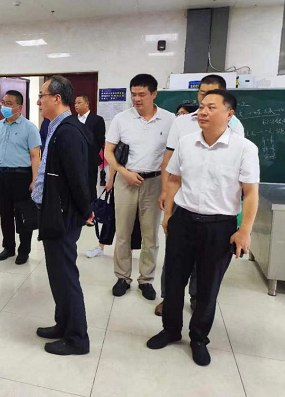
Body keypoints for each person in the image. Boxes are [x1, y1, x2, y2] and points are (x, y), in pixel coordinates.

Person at [147, 90, 259, 366]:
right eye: (201, 107)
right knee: (173, 281)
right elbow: (174, 180)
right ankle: (171, 330)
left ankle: (198, 338)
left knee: (208, 287)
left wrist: (244, 230)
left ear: (229, 114)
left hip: (219, 226)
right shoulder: (186, 143)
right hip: (184, 220)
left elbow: (250, 193)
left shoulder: (244, 148)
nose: (203, 112)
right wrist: (168, 214)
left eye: (211, 107)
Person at [155, 74, 241, 316]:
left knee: (205, 263)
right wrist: (166, 193)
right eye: (201, 94)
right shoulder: (182, 123)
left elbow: (242, 180)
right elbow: (169, 161)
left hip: (214, 210)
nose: (204, 101)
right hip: (183, 202)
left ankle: (196, 297)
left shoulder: (236, 129)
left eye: (211, 96)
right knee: (175, 259)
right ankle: (168, 301)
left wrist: (244, 227)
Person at [32, 75, 92, 356]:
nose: (38, 102)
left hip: (63, 215)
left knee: (66, 276)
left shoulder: (68, 131)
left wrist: (86, 210)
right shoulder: (57, 127)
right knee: (57, 274)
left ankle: (78, 338)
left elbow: (78, 178)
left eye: (42, 96)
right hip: (55, 211)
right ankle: (63, 324)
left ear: (56, 98)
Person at [105, 74, 175, 300]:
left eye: (142, 94)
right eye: (133, 94)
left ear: (154, 94)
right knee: (123, 233)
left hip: (154, 182)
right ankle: (122, 277)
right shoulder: (121, 119)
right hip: (125, 181)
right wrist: (123, 172)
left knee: (150, 235)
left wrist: (167, 189)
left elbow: (172, 155)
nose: (136, 99)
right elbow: (108, 152)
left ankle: (146, 279)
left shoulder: (169, 120)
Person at [0, 90, 41, 264]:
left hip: (22, 176)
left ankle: (24, 250)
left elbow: (35, 156)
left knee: (23, 215)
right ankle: (8, 247)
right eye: (3, 103)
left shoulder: (29, 128)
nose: (4, 106)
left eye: (9, 104)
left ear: (19, 107)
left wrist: (35, 180)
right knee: (5, 214)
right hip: (2, 175)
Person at [74, 95, 108, 257]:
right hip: (75, 159)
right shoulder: (72, 120)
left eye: (79, 102)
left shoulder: (97, 120)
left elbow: (100, 140)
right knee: (76, 185)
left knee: (89, 186)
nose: (76, 105)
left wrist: (87, 151)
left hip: (90, 159)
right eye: (75, 103)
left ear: (87, 104)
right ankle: (77, 213)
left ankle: (90, 214)